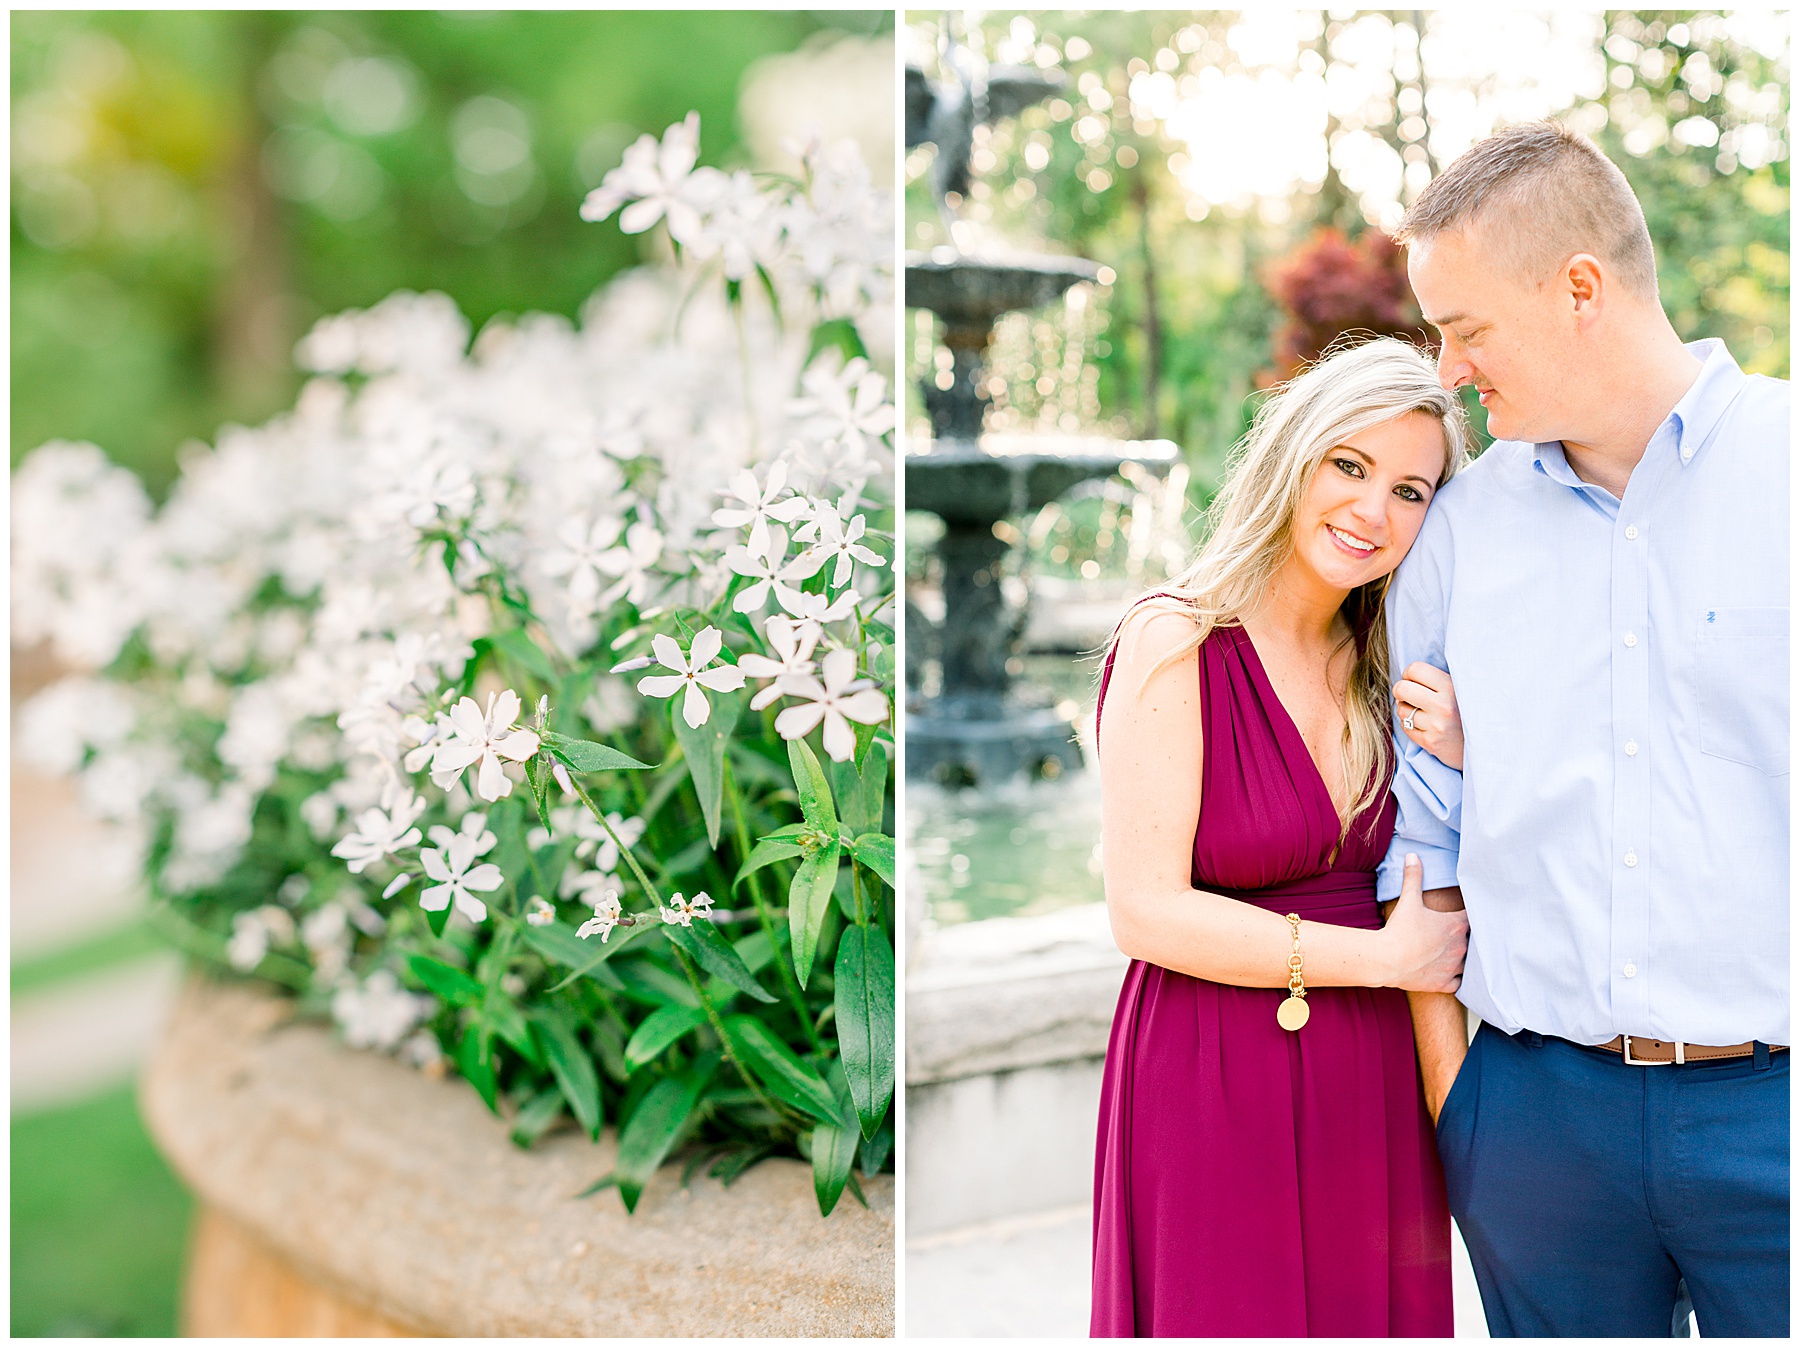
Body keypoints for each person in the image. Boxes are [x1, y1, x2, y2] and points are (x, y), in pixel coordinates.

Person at [1381, 120, 1789, 1337]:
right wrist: (1467, 1113)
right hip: (1538, 1130)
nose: (1449, 367)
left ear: (1578, 289)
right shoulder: (1458, 530)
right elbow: (1425, 844)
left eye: (1466, 328)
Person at [1090, 337, 1474, 1337]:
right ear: (1294, 456)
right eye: (1349, 465)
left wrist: (1472, 752)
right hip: (1211, 1075)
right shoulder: (1175, 639)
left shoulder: (1396, 666)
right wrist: (1383, 960)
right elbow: (1143, 911)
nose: (1372, 512)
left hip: (1375, 1085)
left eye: (1409, 491)